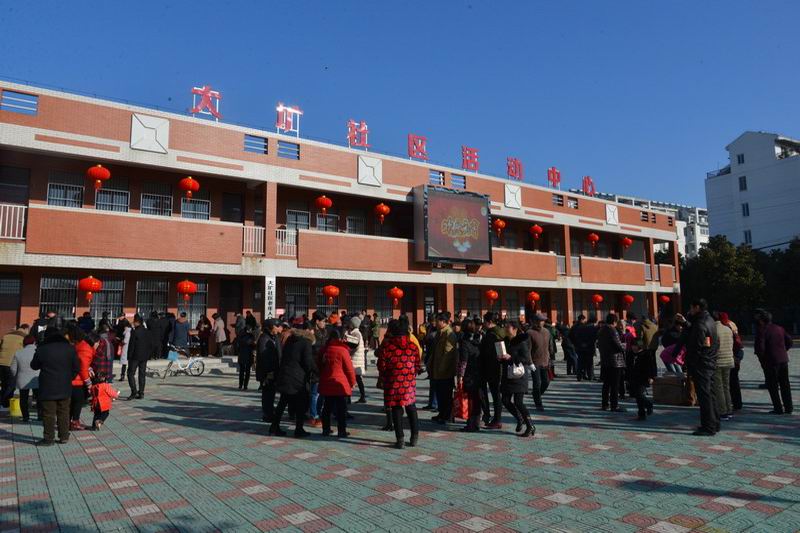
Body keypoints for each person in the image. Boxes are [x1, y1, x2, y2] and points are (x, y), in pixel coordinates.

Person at [377, 317, 421, 448]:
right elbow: (417, 365)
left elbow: (381, 366)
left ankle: (400, 439)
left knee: (396, 409)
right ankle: (414, 437)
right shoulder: (413, 347)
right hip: (409, 383)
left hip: (393, 383)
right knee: (411, 408)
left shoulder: (387, 347)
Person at [31, 328, 79, 446]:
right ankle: (64, 436)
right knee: (64, 412)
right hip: (65, 386)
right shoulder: (70, 348)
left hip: (47, 386)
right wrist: (69, 378)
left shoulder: (42, 349)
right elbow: (76, 368)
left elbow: (34, 366)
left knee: (48, 414)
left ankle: (49, 439)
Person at [270, 323, 316, 438]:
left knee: (282, 403)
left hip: (286, 375)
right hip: (297, 378)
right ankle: (298, 429)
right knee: (301, 404)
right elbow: (307, 362)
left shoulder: (290, 340)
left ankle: (274, 427)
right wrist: (315, 371)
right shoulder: (306, 343)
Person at [684, 299, 720, 436]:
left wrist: (690, 362)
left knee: (704, 397)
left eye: (691, 308)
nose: (690, 310)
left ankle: (708, 427)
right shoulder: (710, 320)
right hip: (710, 361)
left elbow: (696, 347)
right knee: (711, 394)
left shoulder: (700, 324)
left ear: (697, 307)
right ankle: (715, 423)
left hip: (701, 364)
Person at [318, 329, 357, 437]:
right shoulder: (343, 350)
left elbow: (319, 365)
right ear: (340, 338)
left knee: (327, 407)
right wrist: (352, 382)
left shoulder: (324, 349)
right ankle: (341, 430)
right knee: (341, 409)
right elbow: (349, 369)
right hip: (340, 383)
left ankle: (326, 429)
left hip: (327, 381)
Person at [500, 321, 534, 437]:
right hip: (508, 375)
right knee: (505, 400)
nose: (506, 329)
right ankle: (519, 418)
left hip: (519, 376)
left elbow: (525, 359)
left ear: (515, 329)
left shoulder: (521, 342)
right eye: (505, 327)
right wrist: (501, 358)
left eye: (508, 327)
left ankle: (530, 425)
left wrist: (511, 357)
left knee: (518, 402)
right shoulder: (505, 341)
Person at [755, 311, 793, 414]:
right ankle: (789, 407)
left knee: (773, 386)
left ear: (762, 320)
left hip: (770, 361)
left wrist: (762, 359)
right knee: (785, 384)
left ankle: (778, 408)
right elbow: (789, 341)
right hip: (783, 359)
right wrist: (783, 350)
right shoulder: (779, 328)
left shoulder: (762, 330)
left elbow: (760, 348)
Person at [429, 312, 458, 424]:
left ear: (443, 322)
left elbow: (448, 354)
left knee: (446, 395)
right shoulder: (440, 333)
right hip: (437, 369)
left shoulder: (449, 334)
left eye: (437, 321)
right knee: (440, 394)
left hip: (445, 371)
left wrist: (441, 369)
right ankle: (441, 413)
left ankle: (447, 416)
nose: (435, 323)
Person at [630, 315, 658, 421]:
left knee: (639, 394)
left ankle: (648, 405)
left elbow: (651, 366)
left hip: (643, 377)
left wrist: (651, 376)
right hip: (635, 377)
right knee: (637, 396)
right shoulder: (654, 326)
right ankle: (641, 414)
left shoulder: (645, 355)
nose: (633, 347)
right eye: (632, 346)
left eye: (634, 346)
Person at [65, 324, 93, 431]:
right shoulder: (84, 348)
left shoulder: (78, 346)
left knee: (72, 403)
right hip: (77, 381)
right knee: (77, 403)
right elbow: (83, 368)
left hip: (71, 379)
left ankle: (68, 422)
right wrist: (88, 383)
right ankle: (74, 422)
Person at [479, 313, 505, 428]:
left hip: (491, 367)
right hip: (497, 367)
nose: (483, 323)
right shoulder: (501, 331)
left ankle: (495, 419)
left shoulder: (492, 334)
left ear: (489, 322)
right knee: (496, 394)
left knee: (493, 394)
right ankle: (496, 418)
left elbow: (489, 352)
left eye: (484, 321)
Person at [457, 318, 483, 432]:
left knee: (471, 400)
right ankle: (475, 423)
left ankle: (471, 424)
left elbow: (464, 362)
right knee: (476, 400)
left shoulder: (464, 342)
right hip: (479, 373)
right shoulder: (478, 340)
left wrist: (460, 376)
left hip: (469, 375)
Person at [597, 314, 626, 412]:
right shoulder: (612, 330)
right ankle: (614, 405)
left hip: (605, 359)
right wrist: (625, 346)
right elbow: (618, 345)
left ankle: (605, 404)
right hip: (615, 360)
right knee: (615, 384)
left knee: (606, 384)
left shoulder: (601, 330)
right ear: (614, 321)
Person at [256, 319, 282, 422]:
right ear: (271, 327)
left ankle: (269, 412)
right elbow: (263, 357)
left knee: (271, 394)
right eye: (277, 326)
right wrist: (268, 372)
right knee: (267, 394)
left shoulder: (273, 337)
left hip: (273, 370)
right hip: (267, 373)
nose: (278, 328)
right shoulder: (264, 339)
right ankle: (267, 414)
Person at [10, 334, 40, 421]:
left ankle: (25, 417)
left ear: (24, 343)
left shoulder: (18, 353)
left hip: (22, 379)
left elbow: (13, 369)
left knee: (23, 398)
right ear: (34, 342)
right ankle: (40, 416)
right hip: (36, 378)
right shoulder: (38, 351)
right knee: (39, 398)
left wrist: (15, 376)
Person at [527, 313, 552, 411]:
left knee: (546, 382)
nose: (542, 322)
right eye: (540, 321)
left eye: (543, 321)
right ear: (535, 321)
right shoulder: (529, 333)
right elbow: (528, 349)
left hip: (545, 361)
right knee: (537, 383)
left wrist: (550, 359)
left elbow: (548, 347)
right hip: (535, 362)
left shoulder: (547, 331)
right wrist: (530, 362)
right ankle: (538, 403)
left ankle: (536, 395)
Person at [719, 312, 743, 411]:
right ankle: (737, 403)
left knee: (726, 384)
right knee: (734, 382)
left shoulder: (725, 328)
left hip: (729, 357)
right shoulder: (732, 325)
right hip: (734, 357)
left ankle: (728, 405)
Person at [0, 323, 29, 408]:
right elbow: (24, 351)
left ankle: (3, 401)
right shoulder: (24, 337)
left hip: (1, 363)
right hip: (11, 363)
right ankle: (5, 402)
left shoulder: (6, 335)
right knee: (11, 385)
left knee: (4, 383)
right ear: (26, 329)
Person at [713, 313, 735, 421]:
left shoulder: (714, 330)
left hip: (718, 361)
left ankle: (722, 411)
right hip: (729, 360)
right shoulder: (728, 329)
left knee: (719, 387)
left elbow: (711, 346)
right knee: (726, 386)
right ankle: (729, 409)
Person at [127, 314, 154, 400]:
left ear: (136, 322)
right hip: (144, 356)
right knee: (142, 374)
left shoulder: (135, 332)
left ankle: (134, 391)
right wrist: (148, 354)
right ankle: (141, 392)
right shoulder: (147, 331)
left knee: (130, 374)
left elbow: (131, 345)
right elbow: (151, 344)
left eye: (134, 322)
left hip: (135, 356)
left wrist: (129, 356)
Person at [345, 316, 367, 403]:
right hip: (357, 359)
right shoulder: (356, 333)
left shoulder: (355, 333)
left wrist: (349, 352)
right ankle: (362, 396)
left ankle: (349, 398)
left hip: (355, 359)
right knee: (357, 379)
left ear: (353, 324)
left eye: (350, 323)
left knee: (350, 379)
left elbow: (354, 346)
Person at [572, 315, 598, 381]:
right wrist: (588, 344)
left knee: (580, 362)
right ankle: (591, 376)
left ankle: (579, 377)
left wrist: (577, 344)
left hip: (580, 347)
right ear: (594, 322)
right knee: (590, 363)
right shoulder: (593, 328)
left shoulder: (579, 327)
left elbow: (572, 336)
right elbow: (594, 338)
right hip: (589, 347)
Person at [117, 318, 132, 382]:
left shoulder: (127, 332)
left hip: (126, 348)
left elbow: (125, 341)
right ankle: (124, 375)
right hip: (128, 348)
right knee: (126, 363)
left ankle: (123, 376)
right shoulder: (130, 331)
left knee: (124, 364)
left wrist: (120, 340)